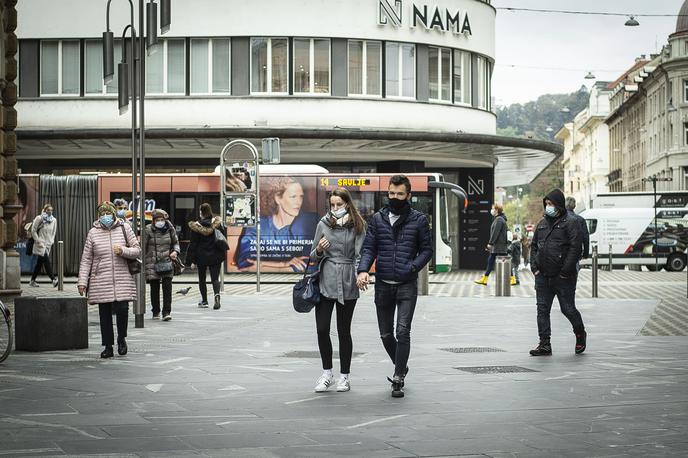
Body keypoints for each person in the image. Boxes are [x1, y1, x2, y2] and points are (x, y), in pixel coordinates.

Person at [357, 175, 433, 398]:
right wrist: (362, 270)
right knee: (385, 334)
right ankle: (402, 364)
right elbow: (369, 247)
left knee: (403, 331)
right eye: (392, 193)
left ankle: (398, 375)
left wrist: (412, 267)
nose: (395, 197)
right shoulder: (377, 219)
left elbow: (427, 250)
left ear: (409, 195)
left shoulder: (418, 220)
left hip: (406, 285)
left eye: (400, 194)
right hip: (382, 285)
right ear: (387, 193)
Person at [310, 188, 366, 393]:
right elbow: (312, 255)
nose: (335, 209)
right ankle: (327, 373)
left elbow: (361, 254)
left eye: (339, 205)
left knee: (344, 331)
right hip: (326, 280)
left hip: (348, 281)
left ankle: (344, 377)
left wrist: (361, 273)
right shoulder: (323, 224)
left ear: (347, 204)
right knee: (322, 329)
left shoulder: (358, 225)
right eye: (332, 205)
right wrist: (319, 250)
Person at [78, 201, 140, 359]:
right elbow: (86, 259)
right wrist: (82, 282)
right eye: (102, 214)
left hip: (122, 278)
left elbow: (137, 250)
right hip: (101, 279)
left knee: (123, 310)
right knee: (104, 314)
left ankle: (121, 339)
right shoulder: (93, 232)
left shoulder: (124, 228)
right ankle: (107, 346)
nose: (105, 216)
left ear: (113, 214)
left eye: (108, 213)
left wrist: (123, 250)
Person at [529, 189, 586, 357]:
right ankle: (544, 344)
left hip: (563, 277)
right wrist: (535, 268)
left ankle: (580, 333)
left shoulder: (571, 222)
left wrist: (565, 271)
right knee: (542, 310)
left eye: (551, 204)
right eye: (546, 204)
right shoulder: (542, 224)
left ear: (559, 205)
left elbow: (576, 248)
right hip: (543, 276)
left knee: (567, 309)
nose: (548, 207)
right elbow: (533, 246)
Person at [234, 177, 319, 272]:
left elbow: (308, 263)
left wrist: (262, 265)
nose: (298, 202)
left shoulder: (309, 222)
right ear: (278, 198)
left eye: (301, 197)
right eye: (293, 197)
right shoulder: (258, 225)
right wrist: (283, 265)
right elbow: (245, 262)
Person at [187, 203, 227, 309]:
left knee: (202, 279)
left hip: (201, 257)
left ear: (201, 212)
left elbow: (193, 244)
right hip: (216, 255)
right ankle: (217, 296)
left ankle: (204, 301)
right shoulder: (217, 223)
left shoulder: (196, 226)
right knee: (215, 278)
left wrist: (192, 260)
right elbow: (223, 237)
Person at [145, 209, 180, 321]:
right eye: (157, 220)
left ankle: (166, 312)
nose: (160, 222)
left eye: (162, 220)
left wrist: (175, 252)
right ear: (153, 220)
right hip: (152, 262)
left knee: (167, 287)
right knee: (154, 288)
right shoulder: (148, 230)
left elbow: (176, 243)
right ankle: (156, 311)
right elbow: (143, 247)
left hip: (167, 261)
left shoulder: (170, 228)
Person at [474, 203, 508, 285]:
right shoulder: (498, 219)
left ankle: (511, 278)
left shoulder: (499, 219)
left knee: (503, 261)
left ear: (496, 210)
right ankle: (485, 278)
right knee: (492, 261)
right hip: (498, 246)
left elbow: (495, 232)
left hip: (499, 245)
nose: (492, 210)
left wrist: (490, 243)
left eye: (493, 208)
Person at [28, 204, 58, 288]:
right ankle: (53, 279)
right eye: (48, 210)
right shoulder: (39, 218)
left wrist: (51, 241)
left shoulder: (54, 220)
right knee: (46, 261)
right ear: (44, 210)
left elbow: (54, 232)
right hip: (40, 243)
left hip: (48, 244)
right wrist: (38, 241)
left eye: (51, 210)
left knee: (39, 263)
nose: (50, 212)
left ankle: (32, 281)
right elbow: (33, 230)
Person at [565, 196, 590, 264]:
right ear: (574, 206)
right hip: (576, 253)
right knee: (573, 272)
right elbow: (585, 238)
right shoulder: (580, 220)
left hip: (561, 253)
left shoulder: (559, 219)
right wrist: (585, 254)